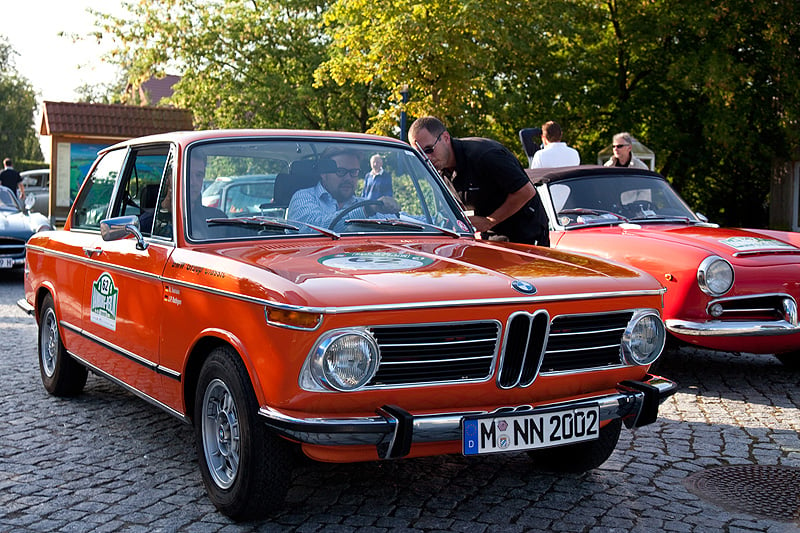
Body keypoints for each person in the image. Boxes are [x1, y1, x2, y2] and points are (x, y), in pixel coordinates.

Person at [408, 116, 550, 246]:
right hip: (491, 236)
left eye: (428, 149)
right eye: (419, 154)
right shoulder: (437, 170)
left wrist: (489, 221)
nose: (426, 158)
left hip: (527, 233)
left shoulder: (485, 155)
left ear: (445, 137)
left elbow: (526, 191)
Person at [287, 150, 399, 230]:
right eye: (340, 171)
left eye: (354, 172)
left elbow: (399, 220)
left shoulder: (362, 204)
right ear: (323, 173)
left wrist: (394, 210)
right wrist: (366, 210)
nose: (348, 178)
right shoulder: (303, 197)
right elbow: (314, 227)